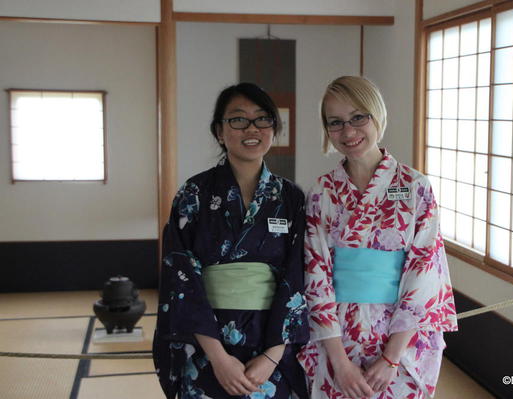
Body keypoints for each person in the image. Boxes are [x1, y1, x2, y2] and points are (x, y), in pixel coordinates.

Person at [298, 76, 458, 399]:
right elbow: (315, 276)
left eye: (359, 117)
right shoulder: (321, 192)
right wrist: (340, 363)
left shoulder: (416, 187)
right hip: (336, 341)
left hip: (402, 344)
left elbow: (424, 272)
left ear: (377, 115)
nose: (349, 131)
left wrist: (390, 358)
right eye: (336, 122)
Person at [153, 83, 309, 399]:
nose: (251, 129)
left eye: (262, 119)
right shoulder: (193, 193)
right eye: (238, 119)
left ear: (274, 130)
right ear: (220, 132)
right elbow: (180, 275)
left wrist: (271, 356)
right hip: (206, 344)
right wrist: (219, 358)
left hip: (271, 342)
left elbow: (298, 276)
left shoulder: (291, 197)